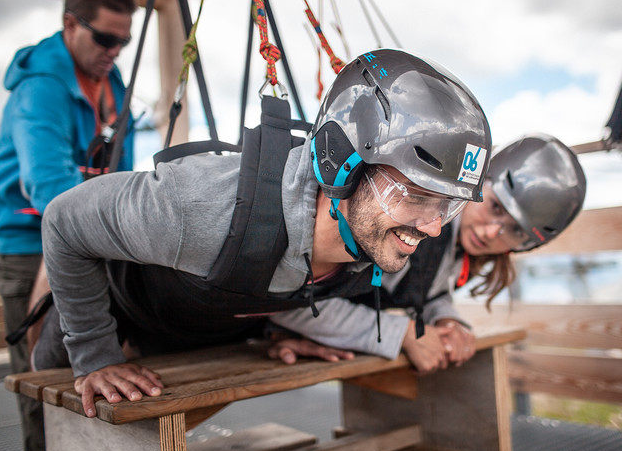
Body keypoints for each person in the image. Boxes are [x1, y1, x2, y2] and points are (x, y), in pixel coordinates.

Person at [33, 49, 492, 418]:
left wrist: (281, 327)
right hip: (108, 339)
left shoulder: (367, 236)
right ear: (341, 163)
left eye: (446, 205)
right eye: (413, 195)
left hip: (195, 339)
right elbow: (64, 221)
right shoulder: (203, 205)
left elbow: (287, 281)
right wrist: (95, 353)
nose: (433, 227)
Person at [268, 133, 586, 373]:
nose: (492, 232)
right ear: (477, 185)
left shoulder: (455, 249)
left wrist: (447, 319)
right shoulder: (415, 224)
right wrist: (401, 334)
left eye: (514, 230)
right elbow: (283, 297)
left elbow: (431, 291)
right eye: (496, 207)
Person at [0, 0, 136, 451]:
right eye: (105, 38)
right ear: (71, 24)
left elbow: (127, 178)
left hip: (95, 240)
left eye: (124, 40)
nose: (114, 50)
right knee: (44, 376)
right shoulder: (41, 89)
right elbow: (49, 188)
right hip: (30, 243)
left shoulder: (114, 85)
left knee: (106, 365)